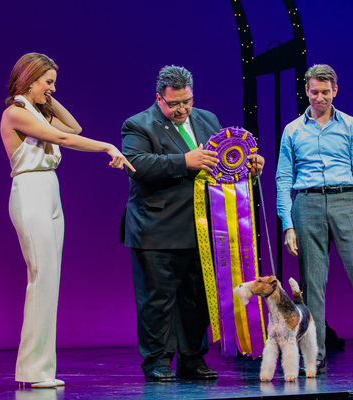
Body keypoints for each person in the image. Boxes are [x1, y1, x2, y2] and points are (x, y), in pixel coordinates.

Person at [120, 65, 264, 382]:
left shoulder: (207, 120)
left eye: (187, 101)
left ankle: (192, 358)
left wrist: (247, 163)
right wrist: (184, 161)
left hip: (204, 229)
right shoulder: (138, 125)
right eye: (174, 104)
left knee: (197, 297)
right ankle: (157, 361)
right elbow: (138, 165)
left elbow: (225, 161)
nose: (182, 109)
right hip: (157, 229)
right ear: (159, 98)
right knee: (157, 301)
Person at [0, 52, 134, 388]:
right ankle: (33, 370)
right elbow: (62, 138)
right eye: (48, 82)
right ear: (29, 79)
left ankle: (41, 369)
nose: (52, 88)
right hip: (29, 188)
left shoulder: (37, 110)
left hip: (49, 189)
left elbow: (73, 127)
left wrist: (48, 98)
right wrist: (106, 147)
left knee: (50, 280)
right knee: (41, 277)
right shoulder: (15, 112)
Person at [275, 64, 353, 376]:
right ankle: (315, 356)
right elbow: (284, 179)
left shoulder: (351, 126)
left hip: (346, 202)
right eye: (314, 92)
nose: (319, 98)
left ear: (335, 91)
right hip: (308, 204)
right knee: (312, 286)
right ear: (306, 90)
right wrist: (288, 224)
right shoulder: (293, 130)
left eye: (325, 92)